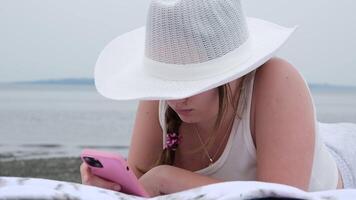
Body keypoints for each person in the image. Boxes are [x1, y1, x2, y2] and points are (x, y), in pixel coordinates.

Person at [80, 0, 356, 197]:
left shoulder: (276, 80)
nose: (177, 98)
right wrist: (111, 186)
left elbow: (280, 196)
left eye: (192, 80)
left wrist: (168, 177)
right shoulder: (159, 96)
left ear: (234, 72)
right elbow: (142, 184)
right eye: (168, 81)